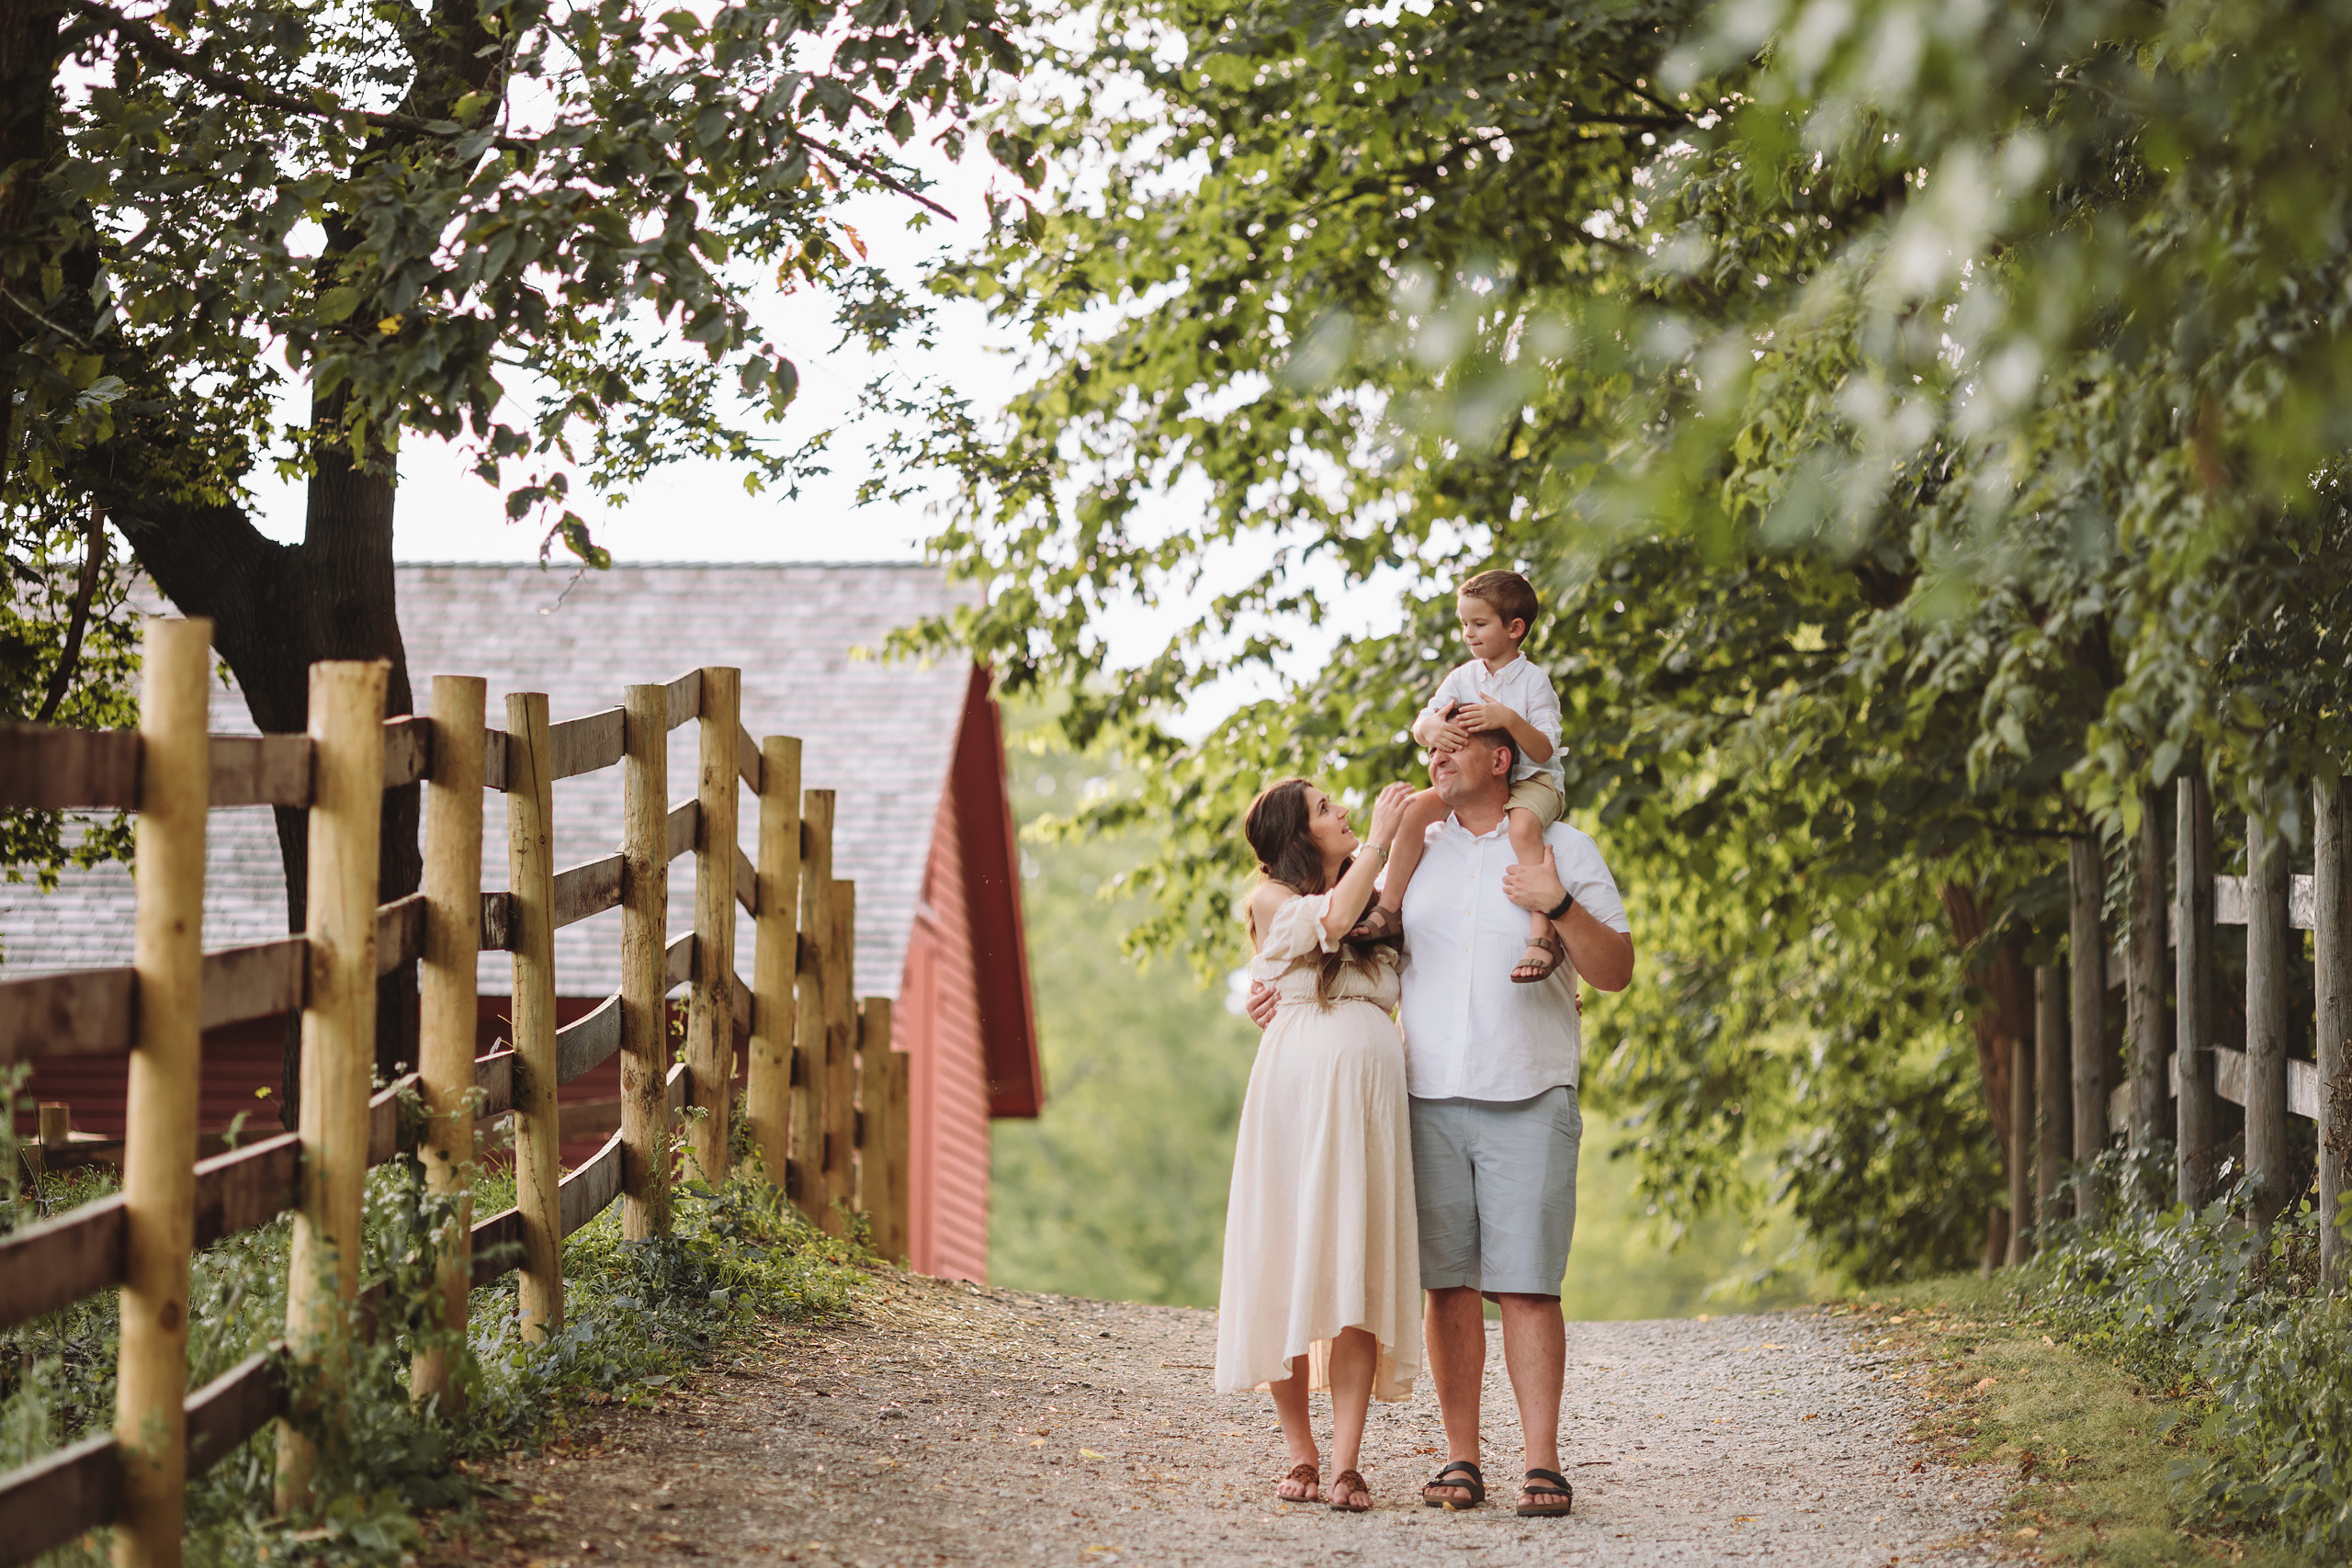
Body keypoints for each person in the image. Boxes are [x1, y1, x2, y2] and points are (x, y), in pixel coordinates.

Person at [1248, 727, 1634, 1518]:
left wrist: (1554, 905)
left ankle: (1543, 1464)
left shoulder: (1563, 847)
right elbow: (1348, 934)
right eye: (1432, 748)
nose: (1436, 758)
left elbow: (1617, 969)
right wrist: (1272, 991)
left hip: (1528, 1088)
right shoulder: (1414, 853)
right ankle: (1461, 1459)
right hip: (1422, 1095)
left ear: (1502, 760)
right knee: (1448, 1287)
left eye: (1457, 745)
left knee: (1527, 1285)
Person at [1216, 776, 1421, 1514]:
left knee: (1354, 1265)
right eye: (1325, 810)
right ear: (1300, 839)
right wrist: (1377, 836)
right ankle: (1299, 1448)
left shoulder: (1377, 901)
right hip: (1297, 1097)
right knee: (1289, 1259)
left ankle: (1345, 1461)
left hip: (1368, 1107)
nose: (1340, 813)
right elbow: (1327, 918)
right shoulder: (1274, 898)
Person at [1348, 570, 1567, 984]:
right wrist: (1429, 729)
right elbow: (1423, 722)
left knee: (1522, 828)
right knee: (1413, 810)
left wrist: (1509, 720)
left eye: (1480, 624)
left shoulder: (1534, 682)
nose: (1469, 633)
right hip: (1478, 779)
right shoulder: (1463, 677)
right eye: (1464, 623)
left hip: (1532, 781)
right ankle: (1390, 908)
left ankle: (1543, 930)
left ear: (1515, 628)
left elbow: (1543, 750)